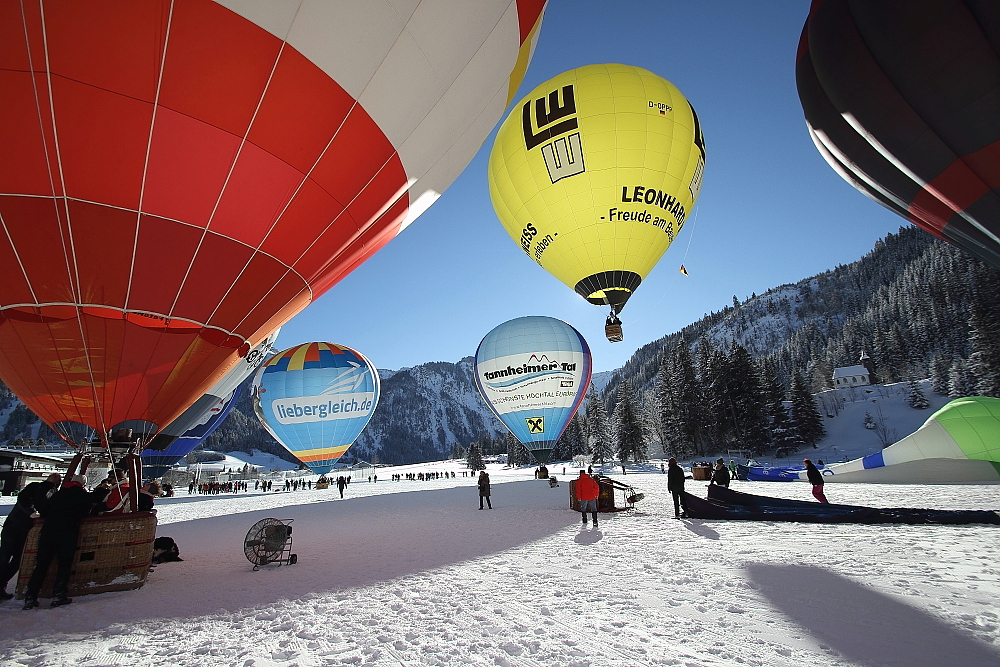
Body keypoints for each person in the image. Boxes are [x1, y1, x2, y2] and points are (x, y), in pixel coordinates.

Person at [22, 474, 94, 609]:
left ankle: (31, 596)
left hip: (48, 532)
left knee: (41, 565)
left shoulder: (58, 494)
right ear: (82, 484)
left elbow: (45, 510)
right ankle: (58, 594)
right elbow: (86, 512)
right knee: (64, 565)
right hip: (68, 533)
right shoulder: (82, 496)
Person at [0, 473, 60, 600]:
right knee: (16, 560)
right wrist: (32, 512)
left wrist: (31, 511)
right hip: (23, 528)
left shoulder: (35, 487)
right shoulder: (49, 493)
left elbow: (22, 499)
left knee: (6, 557)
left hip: (14, 524)